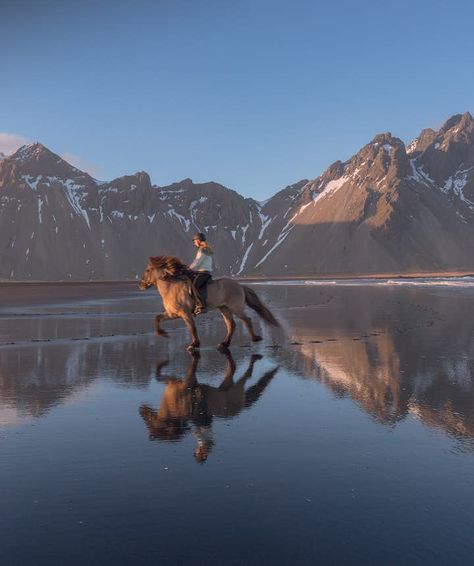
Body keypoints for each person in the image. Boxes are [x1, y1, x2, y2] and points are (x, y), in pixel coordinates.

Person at [189, 232, 213, 315]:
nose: (194, 242)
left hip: (203, 273)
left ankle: (201, 305)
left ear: (198, 241)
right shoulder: (206, 249)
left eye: (195, 241)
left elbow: (197, 262)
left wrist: (189, 268)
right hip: (205, 272)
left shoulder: (202, 250)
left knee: (194, 286)